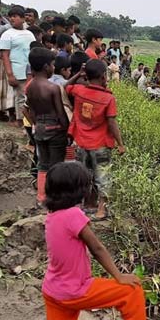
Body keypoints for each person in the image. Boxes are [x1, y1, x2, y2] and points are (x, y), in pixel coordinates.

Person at [42, 162, 148, 320]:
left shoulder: (52, 216)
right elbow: (97, 248)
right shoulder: (73, 215)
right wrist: (118, 276)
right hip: (75, 290)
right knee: (132, 291)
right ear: (79, 190)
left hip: (52, 291)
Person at [67, 59, 126, 221]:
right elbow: (112, 123)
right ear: (103, 77)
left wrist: (79, 74)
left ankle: (83, 205)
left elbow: (65, 86)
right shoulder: (108, 99)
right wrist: (120, 144)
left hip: (80, 143)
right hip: (100, 145)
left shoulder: (78, 91)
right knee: (103, 176)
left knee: (83, 175)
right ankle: (101, 210)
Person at [24, 48, 70, 204]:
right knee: (56, 165)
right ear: (46, 67)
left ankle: (41, 196)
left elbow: (29, 110)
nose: (53, 68)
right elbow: (61, 114)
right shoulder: (53, 88)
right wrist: (67, 131)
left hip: (39, 129)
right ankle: (54, 197)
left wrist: (36, 124)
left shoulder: (29, 87)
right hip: (55, 130)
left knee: (43, 164)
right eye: (52, 64)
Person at [0, 5, 36, 125]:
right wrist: (9, 74)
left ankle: (26, 120)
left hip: (29, 70)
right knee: (20, 96)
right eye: (11, 17)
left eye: (15, 16)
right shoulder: (7, 34)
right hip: (16, 70)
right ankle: (21, 121)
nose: (12, 19)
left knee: (28, 96)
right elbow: (5, 55)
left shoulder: (29, 34)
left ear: (22, 18)